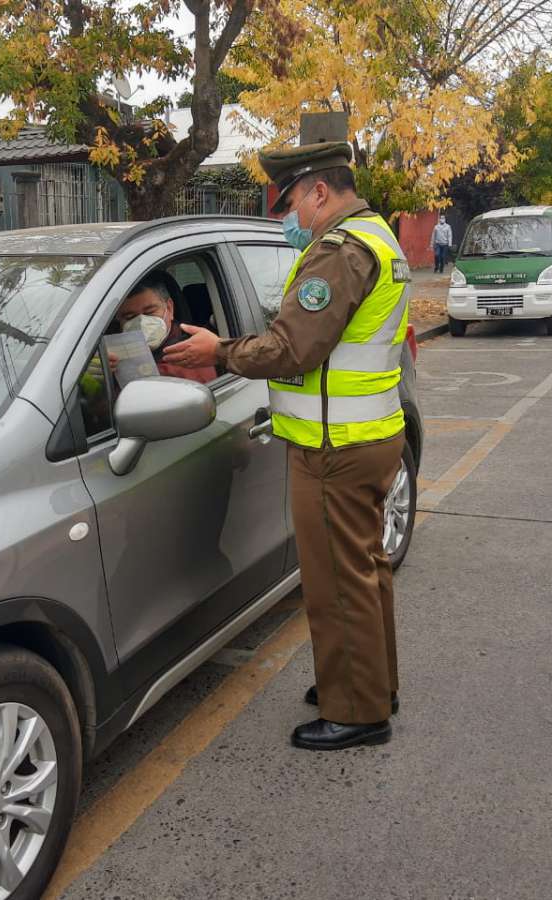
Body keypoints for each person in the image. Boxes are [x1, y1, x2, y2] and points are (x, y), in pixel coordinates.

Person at [163, 141, 409, 751]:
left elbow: (291, 348)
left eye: (292, 200)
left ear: (319, 191)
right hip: (369, 435)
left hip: (336, 448)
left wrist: (216, 352)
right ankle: (373, 685)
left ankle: (357, 711)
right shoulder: (379, 236)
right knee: (367, 568)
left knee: (336, 580)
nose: (289, 216)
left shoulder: (340, 253)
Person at [116, 277, 218, 384]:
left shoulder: (192, 354)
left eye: (150, 312)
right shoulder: (112, 353)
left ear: (169, 308)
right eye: (130, 317)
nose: (141, 323)